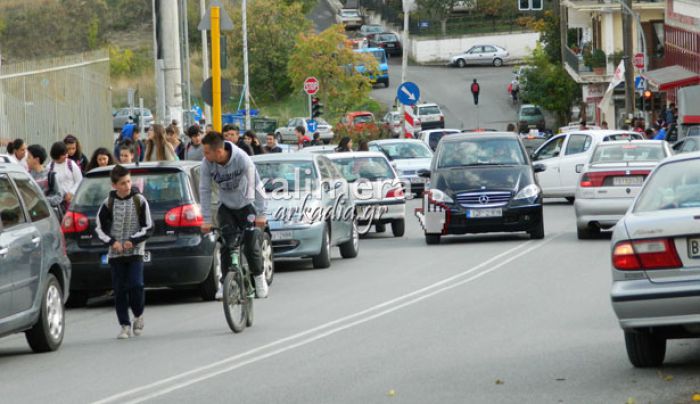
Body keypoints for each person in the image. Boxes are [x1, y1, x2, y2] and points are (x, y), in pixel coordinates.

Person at [199, 132, 269, 299]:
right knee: (227, 245)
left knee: (251, 245)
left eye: (207, 152)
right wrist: (206, 219)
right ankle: (225, 284)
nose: (204, 155)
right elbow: (205, 190)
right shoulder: (207, 163)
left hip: (247, 205)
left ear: (219, 152)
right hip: (226, 207)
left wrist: (261, 214)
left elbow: (257, 185)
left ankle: (259, 278)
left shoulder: (242, 158)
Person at [95, 165, 153, 339]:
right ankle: (125, 325)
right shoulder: (108, 203)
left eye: (128, 181)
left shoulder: (140, 201)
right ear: (114, 185)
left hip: (135, 252)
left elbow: (149, 226)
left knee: (136, 284)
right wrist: (112, 242)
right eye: (122, 183)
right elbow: (99, 228)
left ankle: (138, 314)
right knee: (119, 289)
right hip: (116, 255)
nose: (127, 186)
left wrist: (133, 240)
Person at [26, 144, 64, 211]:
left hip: (47, 215)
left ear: (36, 160)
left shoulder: (50, 175)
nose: (26, 160)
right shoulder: (26, 176)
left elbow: (59, 196)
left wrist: (43, 201)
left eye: (29, 157)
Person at [49, 141, 83, 205]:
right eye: (63, 155)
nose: (66, 156)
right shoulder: (50, 167)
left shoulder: (71, 164)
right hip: (57, 203)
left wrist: (71, 192)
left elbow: (79, 181)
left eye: (66, 154)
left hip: (71, 201)